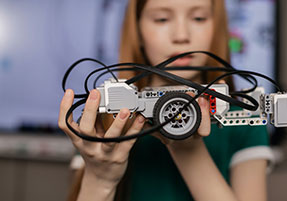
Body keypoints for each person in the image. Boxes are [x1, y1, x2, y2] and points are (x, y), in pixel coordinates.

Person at [58, 0, 274, 200]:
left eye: (198, 18)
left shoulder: (246, 118)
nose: (181, 35)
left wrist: (186, 146)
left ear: (217, 28)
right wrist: (100, 179)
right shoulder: (104, 122)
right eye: (162, 19)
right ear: (138, 30)